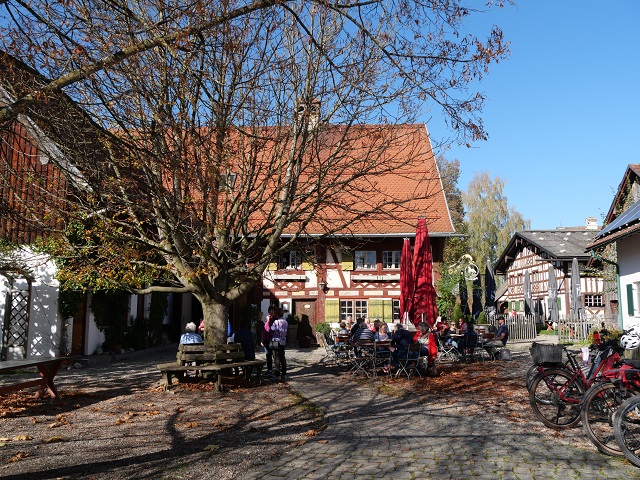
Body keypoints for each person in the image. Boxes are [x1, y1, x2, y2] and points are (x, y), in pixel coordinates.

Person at [270, 308, 288, 379]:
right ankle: (284, 373)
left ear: (277, 315)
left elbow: (271, 330)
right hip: (283, 341)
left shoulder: (276, 322)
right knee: (282, 357)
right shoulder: (286, 322)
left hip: (276, 341)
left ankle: (277, 374)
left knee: (276, 358)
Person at [262, 306, 276, 376]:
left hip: (272, 339)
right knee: (268, 355)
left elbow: (270, 329)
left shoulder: (274, 319)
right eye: (270, 310)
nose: (271, 312)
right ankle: (269, 370)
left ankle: (276, 370)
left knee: (274, 355)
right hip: (266, 339)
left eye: (272, 310)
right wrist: (262, 340)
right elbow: (264, 329)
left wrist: (268, 321)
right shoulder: (267, 318)